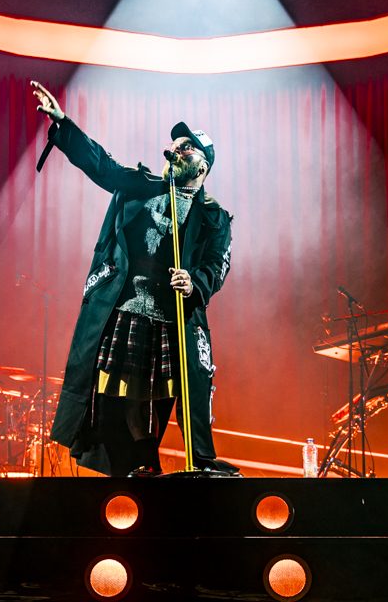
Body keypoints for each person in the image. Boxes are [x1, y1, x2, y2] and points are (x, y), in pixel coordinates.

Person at [31, 81, 236, 477]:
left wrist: (195, 283)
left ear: (203, 166)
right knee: (110, 397)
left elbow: (217, 264)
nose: (177, 148)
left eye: (187, 146)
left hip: (171, 320)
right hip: (124, 311)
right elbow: (101, 165)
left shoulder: (214, 217)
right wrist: (63, 124)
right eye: (175, 143)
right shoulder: (139, 185)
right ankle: (127, 468)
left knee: (162, 402)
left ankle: (146, 464)